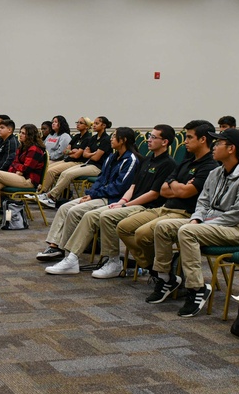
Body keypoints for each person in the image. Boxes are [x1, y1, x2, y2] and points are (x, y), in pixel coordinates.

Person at [147, 128, 239, 317]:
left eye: (218, 144)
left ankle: (197, 288)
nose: (214, 147)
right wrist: (196, 218)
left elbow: (237, 215)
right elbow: (203, 201)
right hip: (210, 223)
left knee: (187, 232)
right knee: (163, 227)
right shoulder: (216, 173)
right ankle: (165, 277)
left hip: (238, 230)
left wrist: (202, 224)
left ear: (231, 148)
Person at [39, 124, 177, 279]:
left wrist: (124, 203)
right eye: (148, 136)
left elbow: (151, 193)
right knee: (67, 208)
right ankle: (67, 254)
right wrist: (94, 194)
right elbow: (130, 186)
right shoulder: (145, 160)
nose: (148, 140)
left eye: (152, 137)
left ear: (164, 142)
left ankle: (101, 260)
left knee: (91, 215)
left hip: (141, 205)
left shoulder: (164, 163)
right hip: (123, 200)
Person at [116, 120, 219, 279]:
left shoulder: (210, 166)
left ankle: (162, 273)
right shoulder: (187, 161)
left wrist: (175, 186)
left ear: (203, 140)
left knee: (142, 234)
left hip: (184, 213)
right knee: (123, 227)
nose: (185, 141)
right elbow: (164, 190)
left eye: (189, 137)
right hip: (165, 207)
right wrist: (179, 186)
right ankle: (154, 268)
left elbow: (185, 193)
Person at [40, 127, 141, 274]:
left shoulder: (130, 159)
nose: (111, 139)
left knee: (75, 211)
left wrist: (94, 195)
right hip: (99, 195)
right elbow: (101, 179)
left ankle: (70, 256)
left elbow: (120, 187)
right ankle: (57, 247)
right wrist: (92, 193)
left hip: (112, 199)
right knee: (65, 208)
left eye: (114, 136)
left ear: (123, 140)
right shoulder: (112, 157)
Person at [0, 122, 46, 227]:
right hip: (19, 176)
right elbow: (14, 163)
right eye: (20, 132)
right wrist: (18, 168)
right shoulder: (21, 147)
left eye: (23, 133)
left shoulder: (35, 149)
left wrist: (19, 168)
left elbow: (27, 168)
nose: (20, 135)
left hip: (29, 181)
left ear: (30, 136)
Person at [39, 116, 113, 207]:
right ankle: (48, 195)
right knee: (64, 172)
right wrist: (89, 153)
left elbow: (95, 158)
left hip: (98, 167)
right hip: (87, 163)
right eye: (94, 123)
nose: (94, 125)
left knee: (67, 174)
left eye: (97, 124)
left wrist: (86, 153)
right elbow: (81, 153)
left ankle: (50, 196)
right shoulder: (93, 138)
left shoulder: (105, 139)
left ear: (104, 125)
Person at [38, 116, 92, 203]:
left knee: (51, 171)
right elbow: (65, 151)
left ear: (87, 126)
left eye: (80, 123)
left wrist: (71, 152)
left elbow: (77, 155)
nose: (78, 124)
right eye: (77, 122)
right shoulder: (77, 136)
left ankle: (43, 192)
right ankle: (41, 191)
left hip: (77, 162)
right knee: (46, 168)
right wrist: (72, 151)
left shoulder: (88, 138)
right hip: (68, 159)